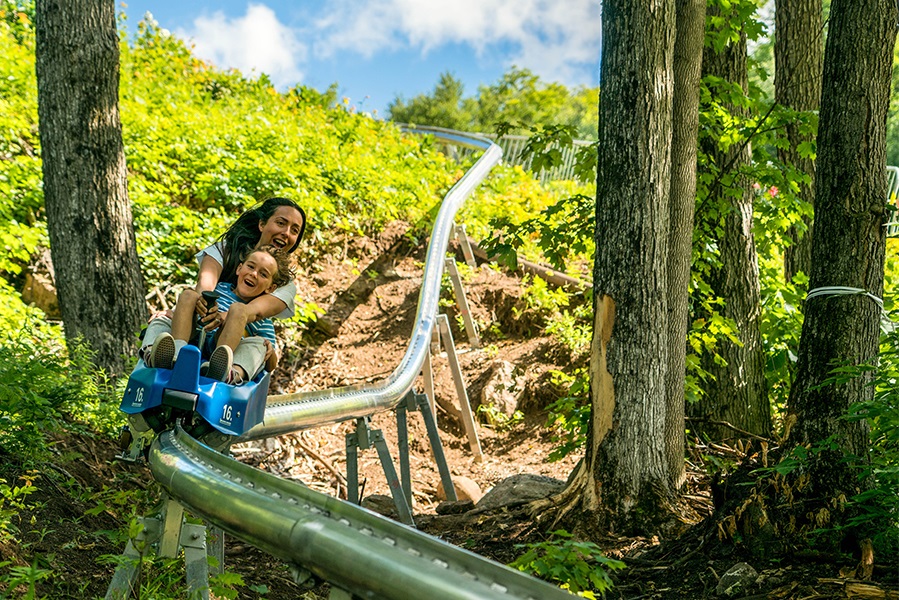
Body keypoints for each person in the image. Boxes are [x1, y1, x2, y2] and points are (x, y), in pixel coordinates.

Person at [141, 196, 306, 366]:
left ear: (271, 286)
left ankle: (220, 368)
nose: (286, 233)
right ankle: (159, 355)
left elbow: (253, 312)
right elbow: (204, 285)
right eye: (281, 223)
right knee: (162, 319)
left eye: (294, 230)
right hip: (198, 327)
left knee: (255, 343)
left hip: (232, 338)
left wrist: (221, 317)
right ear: (262, 224)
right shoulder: (228, 250)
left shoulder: (284, 285)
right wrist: (189, 309)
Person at [148, 245, 294, 385]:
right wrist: (173, 313)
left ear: (271, 287)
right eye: (250, 266)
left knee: (257, 341)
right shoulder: (218, 288)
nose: (253, 274)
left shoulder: (262, 318)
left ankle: (226, 370)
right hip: (191, 337)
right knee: (179, 304)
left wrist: (268, 351)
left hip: (226, 350)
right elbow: (186, 311)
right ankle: (166, 355)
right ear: (239, 268)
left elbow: (271, 365)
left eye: (263, 274)